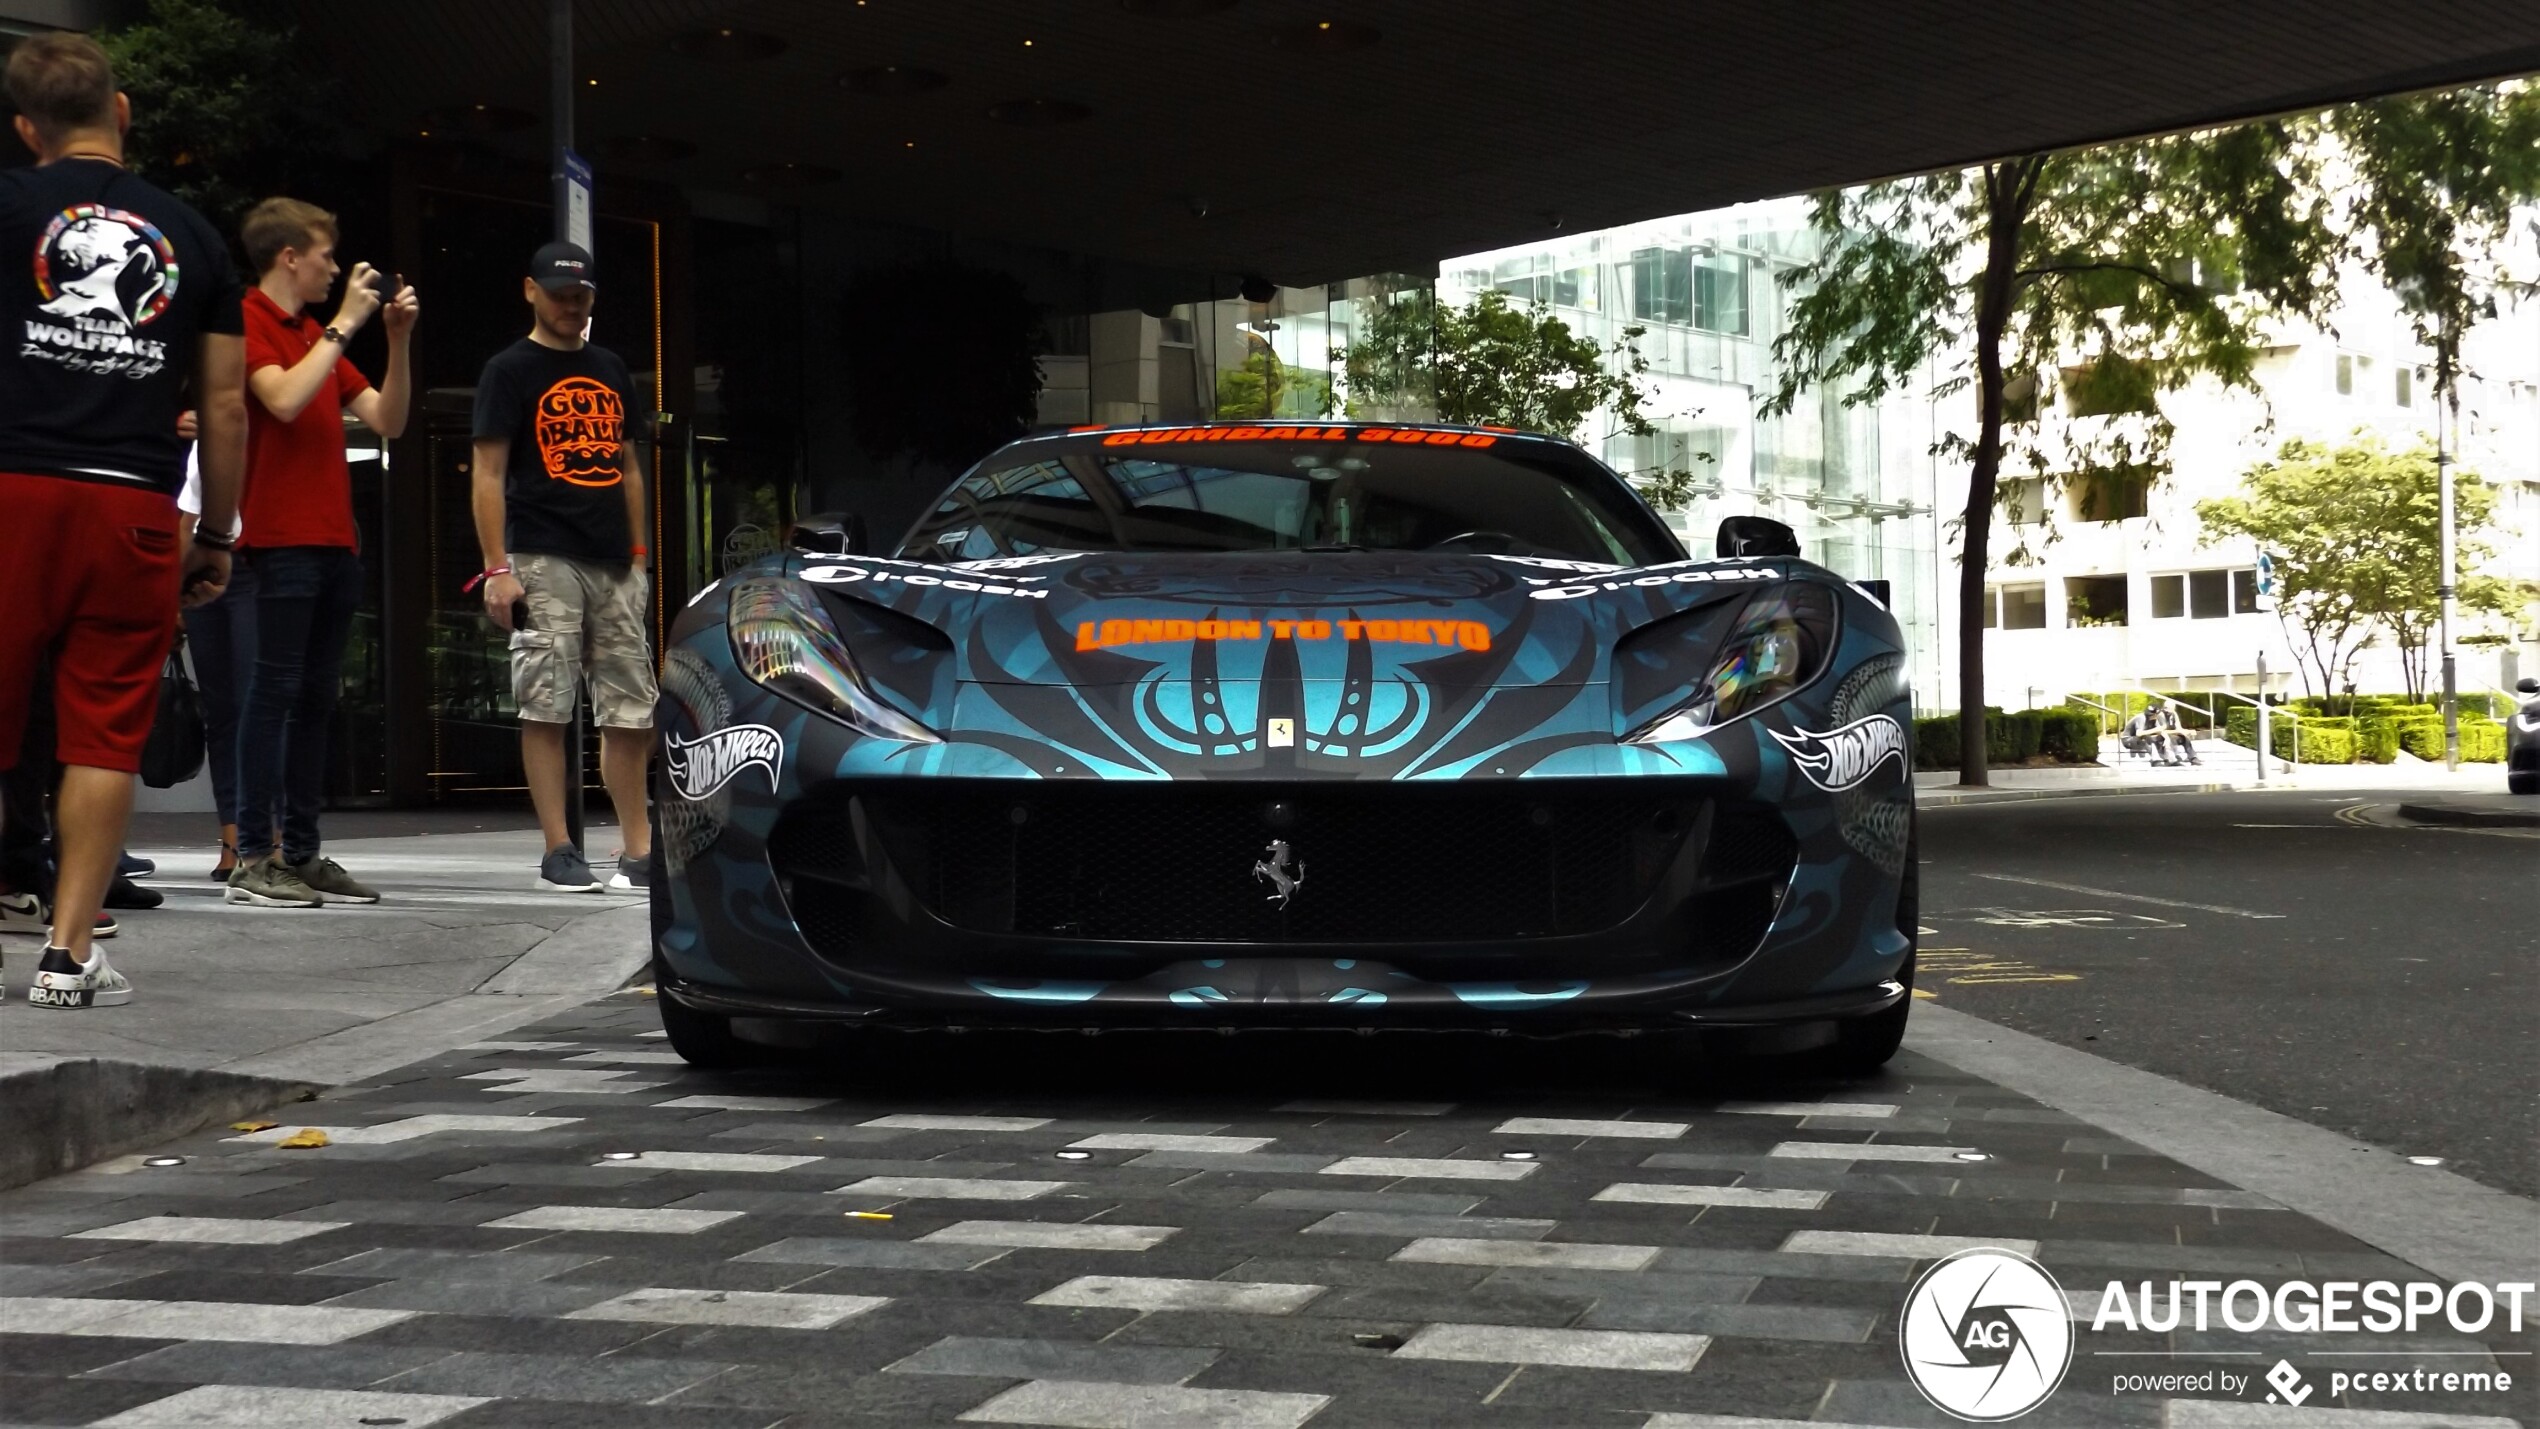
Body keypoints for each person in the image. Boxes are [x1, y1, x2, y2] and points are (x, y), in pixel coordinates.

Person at [0, 31, 246, 1007]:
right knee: (101, 734)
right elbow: (224, 406)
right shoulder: (193, 234)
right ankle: (66, 955)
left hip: (10, 488)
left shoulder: (7, 206)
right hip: (133, 505)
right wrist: (217, 532)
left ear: (28, 131)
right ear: (123, 111)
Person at [222, 198, 414, 908]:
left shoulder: (312, 332)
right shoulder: (249, 320)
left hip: (334, 540)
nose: (335, 267)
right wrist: (346, 326)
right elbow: (282, 399)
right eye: (326, 254)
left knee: (311, 699)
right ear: (288, 257)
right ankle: (251, 857)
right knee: (272, 693)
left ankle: (299, 852)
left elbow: (388, 419)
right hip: (279, 537)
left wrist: (396, 339)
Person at [469, 241, 655, 893]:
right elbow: (488, 472)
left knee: (631, 705)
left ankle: (639, 846)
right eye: (558, 294)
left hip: (613, 558)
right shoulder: (509, 369)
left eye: (580, 296)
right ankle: (558, 846)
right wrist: (497, 567)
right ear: (531, 291)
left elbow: (630, 465)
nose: (570, 306)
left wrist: (639, 555)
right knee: (545, 699)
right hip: (541, 550)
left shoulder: (610, 367)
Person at [174, 424, 256, 879]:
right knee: (222, 713)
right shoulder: (213, 432)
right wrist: (172, 595)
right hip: (205, 566)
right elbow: (189, 512)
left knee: (256, 707)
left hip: (258, 563)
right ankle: (232, 840)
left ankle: (268, 840)